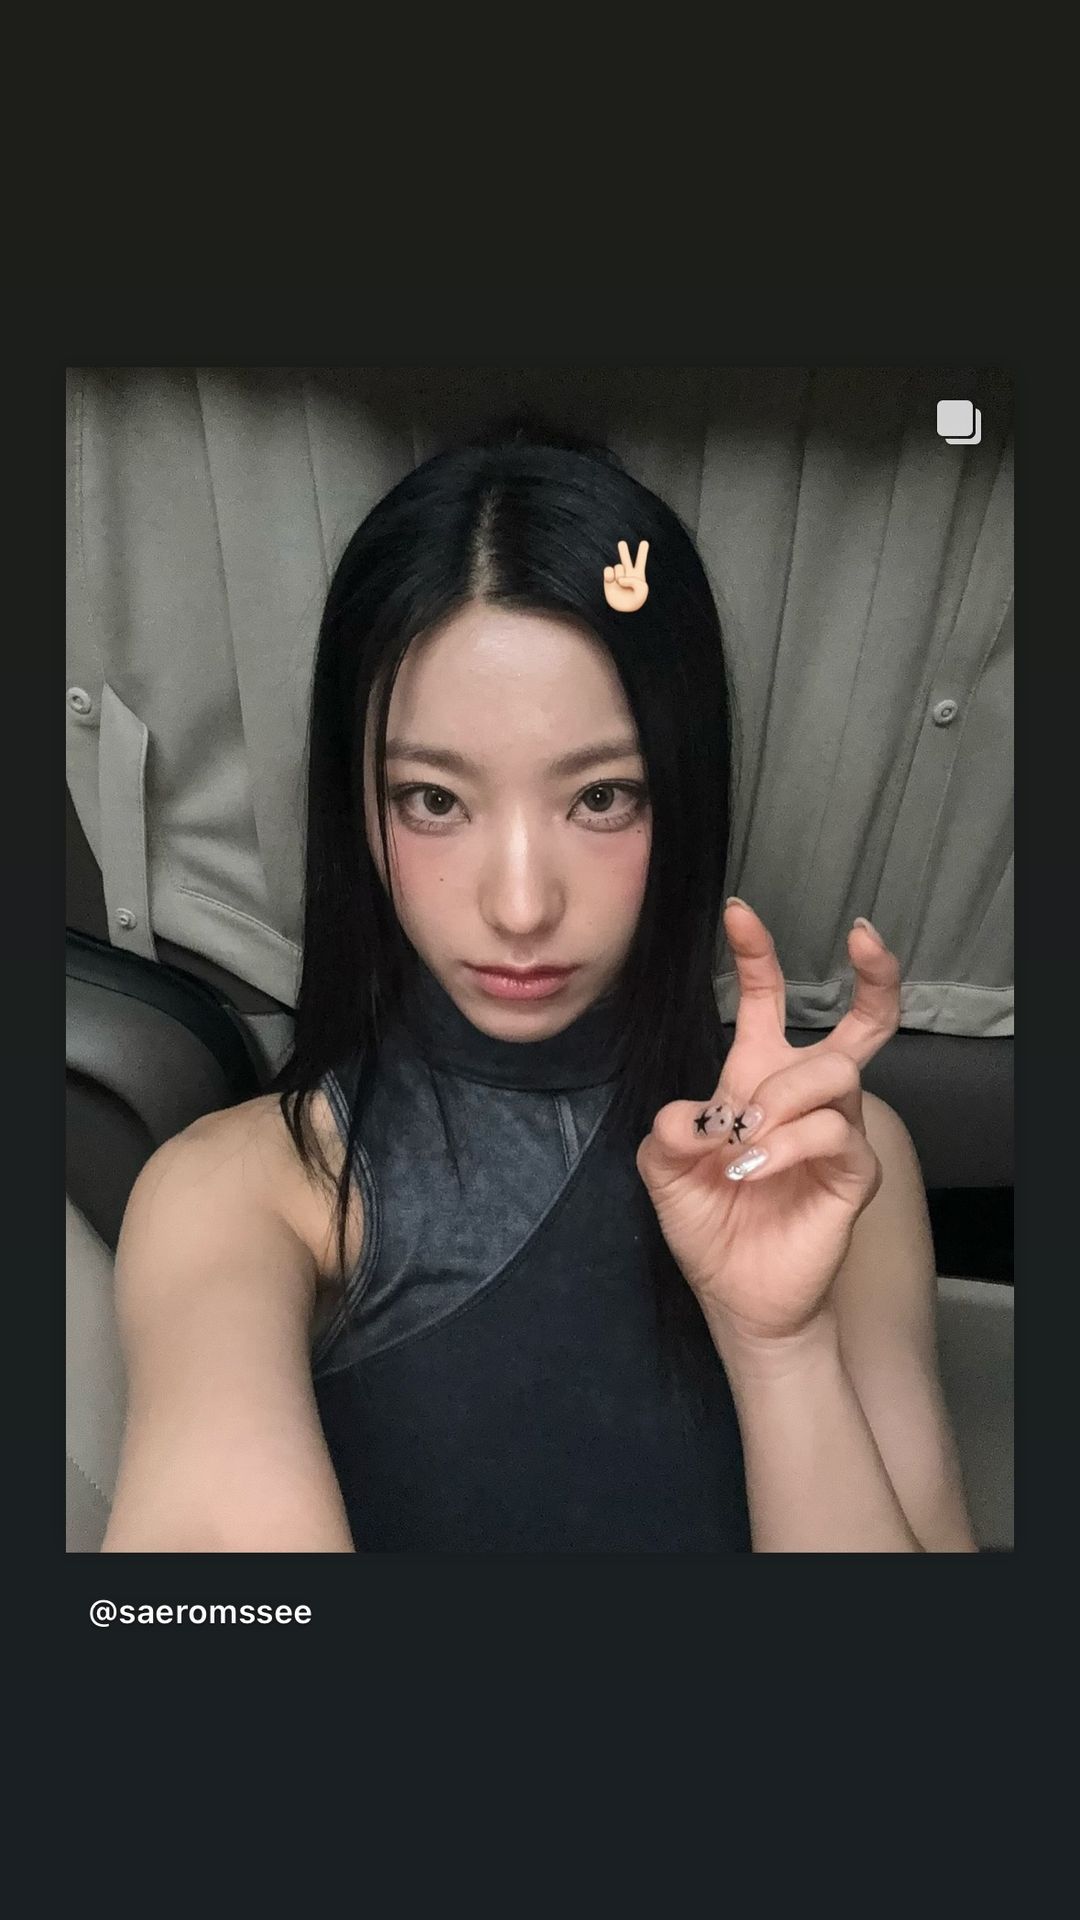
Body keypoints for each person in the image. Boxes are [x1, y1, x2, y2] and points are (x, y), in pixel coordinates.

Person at [102, 418, 976, 1553]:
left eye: (601, 798)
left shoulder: (833, 1152)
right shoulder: (238, 1192)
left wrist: (782, 1348)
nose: (520, 906)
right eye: (434, 800)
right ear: (356, 807)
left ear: (684, 793)